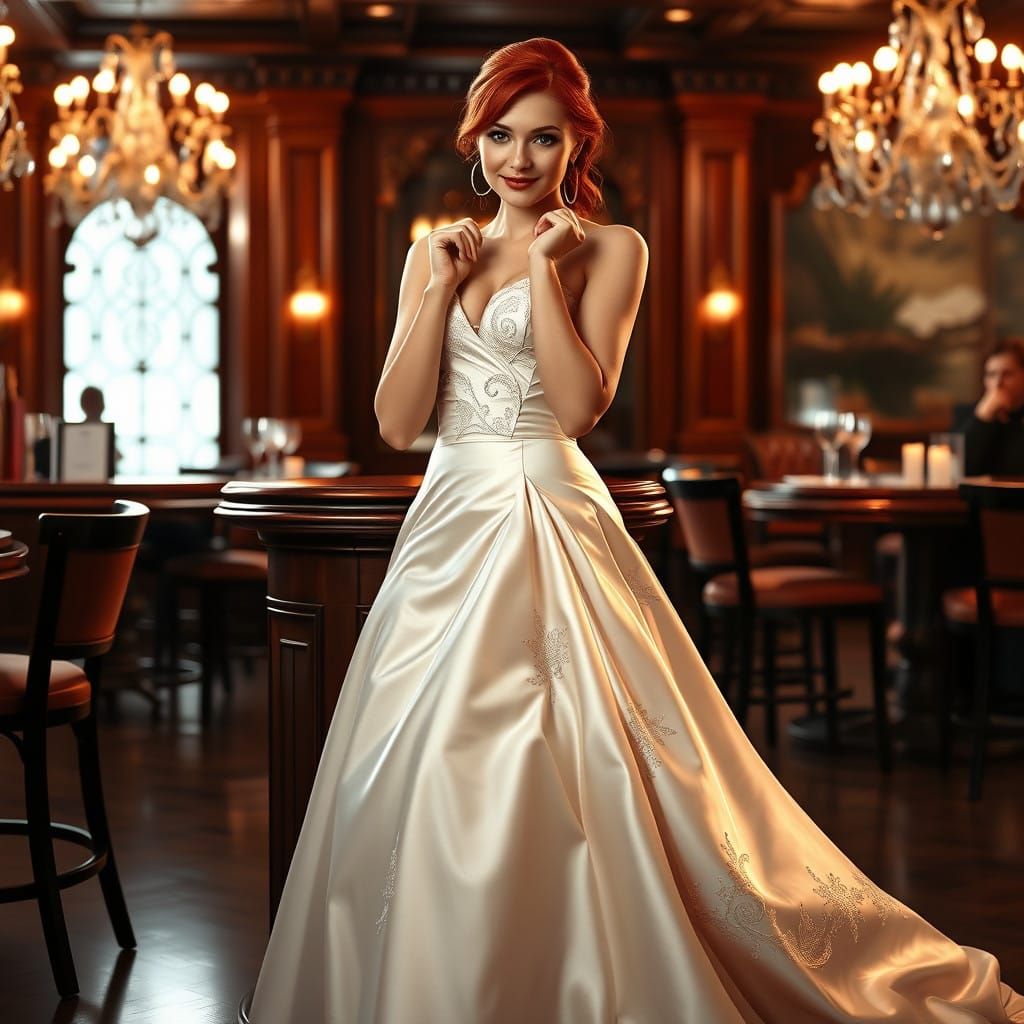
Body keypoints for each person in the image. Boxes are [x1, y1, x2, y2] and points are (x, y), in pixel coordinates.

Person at [250, 38, 1023, 1023]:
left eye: (543, 137)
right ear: (474, 139)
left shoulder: (609, 248)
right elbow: (399, 425)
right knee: (416, 759)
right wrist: (441, 285)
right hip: (443, 520)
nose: (518, 158)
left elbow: (576, 408)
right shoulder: (429, 251)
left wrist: (540, 273)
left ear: (577, 143)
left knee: (565, 750)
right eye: (500, 135)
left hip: (547, 506)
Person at [956, 338, 1024, 476]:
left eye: (1007, 374)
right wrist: (982, 419)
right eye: (991, 374)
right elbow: (955, 469)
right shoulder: (966, 414)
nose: (998, 382)